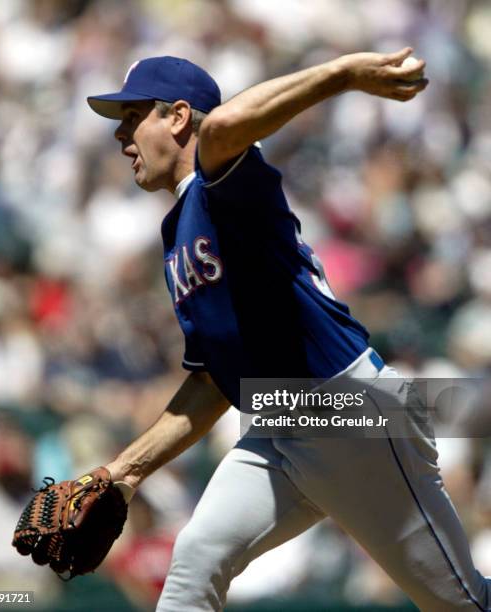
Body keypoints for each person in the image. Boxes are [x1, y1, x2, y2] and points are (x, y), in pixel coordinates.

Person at [87, 51, 490, 611]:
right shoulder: (178, 232)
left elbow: (224, 124)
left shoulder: (221, 184)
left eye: (132, 117)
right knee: (196, 560)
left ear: (178, 117)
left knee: (461, 604)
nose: (120, 135)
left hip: (350, 408)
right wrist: (123, 473)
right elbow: (212, 384)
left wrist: (346, 74)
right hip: (282, 418)